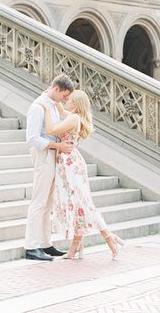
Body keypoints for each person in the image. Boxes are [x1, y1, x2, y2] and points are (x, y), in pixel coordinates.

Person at [38, 89, 124, 260]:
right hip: (69, 162)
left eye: (68, 99)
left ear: (75, 103)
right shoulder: (74, 116)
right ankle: (76, 247)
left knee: (83, 203)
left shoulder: (74, 118)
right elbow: (62, 111)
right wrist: (51, 98)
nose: (66, 100)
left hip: (70, 164)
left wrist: (46, 107)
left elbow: (51, 129)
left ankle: (109, 238)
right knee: (77, 205)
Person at [24, 73, 75, 261]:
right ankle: (31, 247)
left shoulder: (53, 106)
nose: (65, 99)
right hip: (44, 154)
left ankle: (45, 244)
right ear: (56, 89)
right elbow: (32, 138)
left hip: (52, 155)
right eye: (64, 95)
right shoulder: (38, 107)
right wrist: (58, 146)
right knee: (39, 201)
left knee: (47, 203)